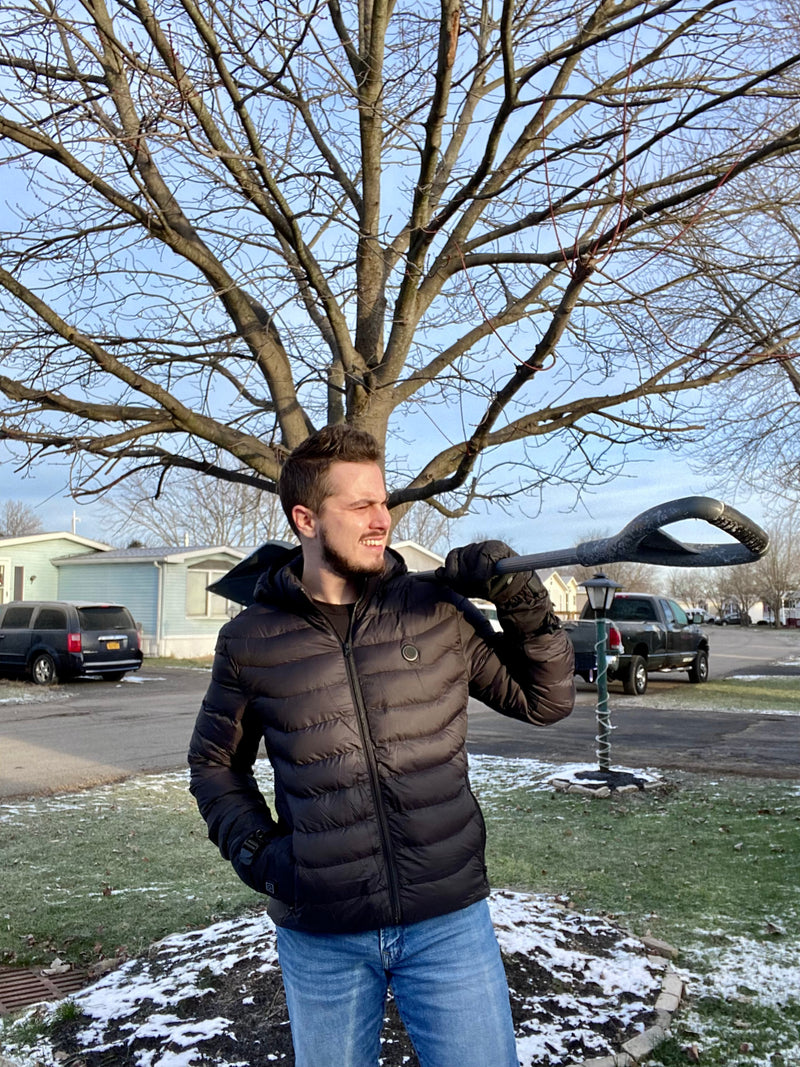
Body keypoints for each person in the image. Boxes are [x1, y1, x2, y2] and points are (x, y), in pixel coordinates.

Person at [188, 424, 575, 1067]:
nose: (382, 519)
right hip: (322, 937)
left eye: (384, 500)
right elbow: (213, 764)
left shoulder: (436, 610)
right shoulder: (252, 639)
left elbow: (545, 701)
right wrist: (262, 854)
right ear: (306, 519)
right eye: (360, 505)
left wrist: (523, 604)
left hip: (447, 922)